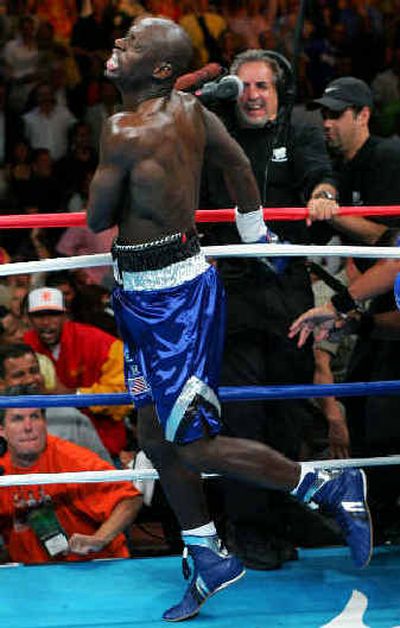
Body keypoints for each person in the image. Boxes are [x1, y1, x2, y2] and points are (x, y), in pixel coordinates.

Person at [87, 17, 372, 623]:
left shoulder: (122, 128)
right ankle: (207, 551)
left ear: (159, 70)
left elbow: (95, 217)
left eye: (132, 43)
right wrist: (254, 231)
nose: (118, 45)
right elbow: (239, 167)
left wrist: (116, 162)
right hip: (147, 294)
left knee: (194, 442)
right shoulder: (190, 112)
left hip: (172, 301)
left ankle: (325, 486)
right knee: (155, 437)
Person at [198, 47, 341, 568]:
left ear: (278, 94)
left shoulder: (299, 128)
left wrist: (324, 194)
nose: (253, 95)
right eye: (244, 86)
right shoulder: (213, 131)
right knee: (241, 414)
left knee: (287, 412)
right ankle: (248, 528)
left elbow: (321, 176)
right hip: (231, 291)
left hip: (286, 295)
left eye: (263, 86)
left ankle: (283, 516)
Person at [0, 386, 142, 564]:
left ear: (45, 422)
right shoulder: (2, 472)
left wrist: (100, 539)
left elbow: (130, 499)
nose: (28, 427)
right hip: (33, 576)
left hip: (93, 568)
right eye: (18, 419)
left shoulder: (72, 459)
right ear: (1, 430)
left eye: (35, 417)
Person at [23, 286, 130, 458]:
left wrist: (70, 394)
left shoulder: (99, 342)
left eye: (53, 314)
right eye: (39, 316)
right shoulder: (21, 348)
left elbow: (124, 395)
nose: (46, 322)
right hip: (42, 450)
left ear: (65, 315)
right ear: (28, 319)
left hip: (102, 445)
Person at [0, 342, 112, 462]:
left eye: (34, 371)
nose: (30, 379)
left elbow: (106, 472)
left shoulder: (70, 418)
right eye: (19, 375)